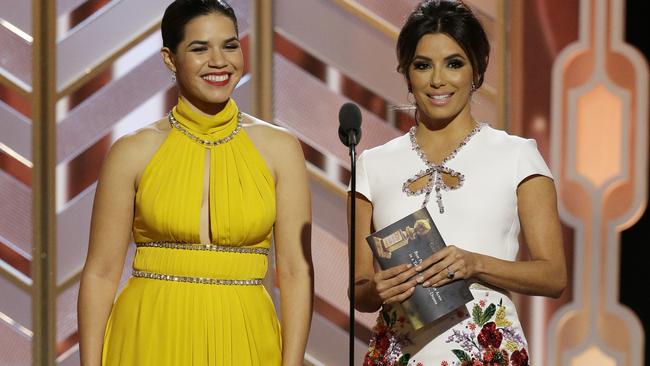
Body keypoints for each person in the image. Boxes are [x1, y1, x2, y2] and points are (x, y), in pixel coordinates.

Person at [77, 1, 313, 365]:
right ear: (170, 59)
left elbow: (296, 271)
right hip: (149, 335)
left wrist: (292, 361)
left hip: (245, 337)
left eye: (230, 45)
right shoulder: (132, 151)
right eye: (199, 48)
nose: (219, 61)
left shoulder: (280, 148)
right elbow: (100, 272)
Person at [349, 1, 567, 364]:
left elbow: (553, 275)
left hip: (487, 350)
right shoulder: (372, 164)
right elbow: (360, 291)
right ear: (406, 72)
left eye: (454, 63)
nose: (438, 80)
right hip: (399, 353)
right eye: (423, 65)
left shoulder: (517, 155)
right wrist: (376, 288)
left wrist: (475, 264)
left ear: (477, 71)